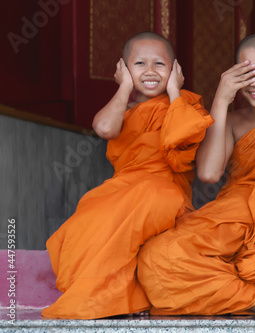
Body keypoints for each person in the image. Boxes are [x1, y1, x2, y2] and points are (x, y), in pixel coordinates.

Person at [137, 33, 255, 319]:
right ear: (233, 75)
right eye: (246, 72)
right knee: (156, 258)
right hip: (234, 210)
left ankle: (217, 286)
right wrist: (222, 98)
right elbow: (209, 173)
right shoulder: (233, 121)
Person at [41, 32, 213, 319]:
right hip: (125, 189)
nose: (149, 71)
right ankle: (107, 294)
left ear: (175, 70)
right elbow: (105, 128)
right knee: (88, 216)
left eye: (160, 64)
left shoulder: (187, 107)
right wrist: (123, 89)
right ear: (124, 68)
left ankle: (100, 299)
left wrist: (175, 92)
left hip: (164, 192)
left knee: (145, 200)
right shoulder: (124, 110)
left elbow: (181, 136)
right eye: (139, 64)